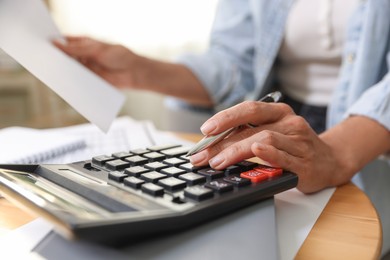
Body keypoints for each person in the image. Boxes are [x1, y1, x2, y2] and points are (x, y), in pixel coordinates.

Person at [54, 0, 390, 255]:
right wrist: (140, 69)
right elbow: (235, 63)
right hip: (280, 124)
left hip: (369, 137)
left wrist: (338, 153)